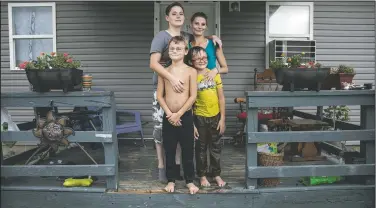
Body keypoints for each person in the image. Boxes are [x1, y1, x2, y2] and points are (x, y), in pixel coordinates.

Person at [149, 2, 222, 182]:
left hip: (184, 91)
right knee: (162, 130)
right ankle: (161, 166)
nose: (178, 16)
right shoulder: (161, 37)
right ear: (167, 17)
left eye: (181, 13)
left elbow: (200, 36)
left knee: (182, 130)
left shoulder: (186, 36)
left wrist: (214, 37)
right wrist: (171, 79)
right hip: (165, 88)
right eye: (174, 13)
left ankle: (177, 167)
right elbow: (153, 63)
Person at [156, 36, 199, 194]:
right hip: (169, 117)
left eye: (179, 48)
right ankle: (171, 180)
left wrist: (179, 113)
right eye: (172, 48)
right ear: (168, 50)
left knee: (188, 150)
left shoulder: (191, 71)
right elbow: (160, 95)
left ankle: (189, 181)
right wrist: (169, 114)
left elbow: (192, 96)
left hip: (185, 116)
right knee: (170, 150)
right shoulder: (164, 72)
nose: (175, 51)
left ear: (186, 51)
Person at [187, 46, 227, 187]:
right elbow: (189, 103)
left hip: (215, 116)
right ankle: (202, 175)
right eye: (197, 58)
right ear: (191, 61)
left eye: (204, 57)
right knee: (201, 148)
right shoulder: (191, 77)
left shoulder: (214, 74)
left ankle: (216, 174)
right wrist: (192, 125)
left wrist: (222, 119)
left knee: (216, 148)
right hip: (199, 118)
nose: (201, 60)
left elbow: (221, 98)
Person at [188, 12, 228, 82]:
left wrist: (215, 70)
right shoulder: (187, 45)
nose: (200, 27)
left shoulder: (214, 44)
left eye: (203, 24)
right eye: (196, 23)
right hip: (192, 85)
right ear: (191, 25)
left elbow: (225, 68)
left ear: (206, 27)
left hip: (210, 87)